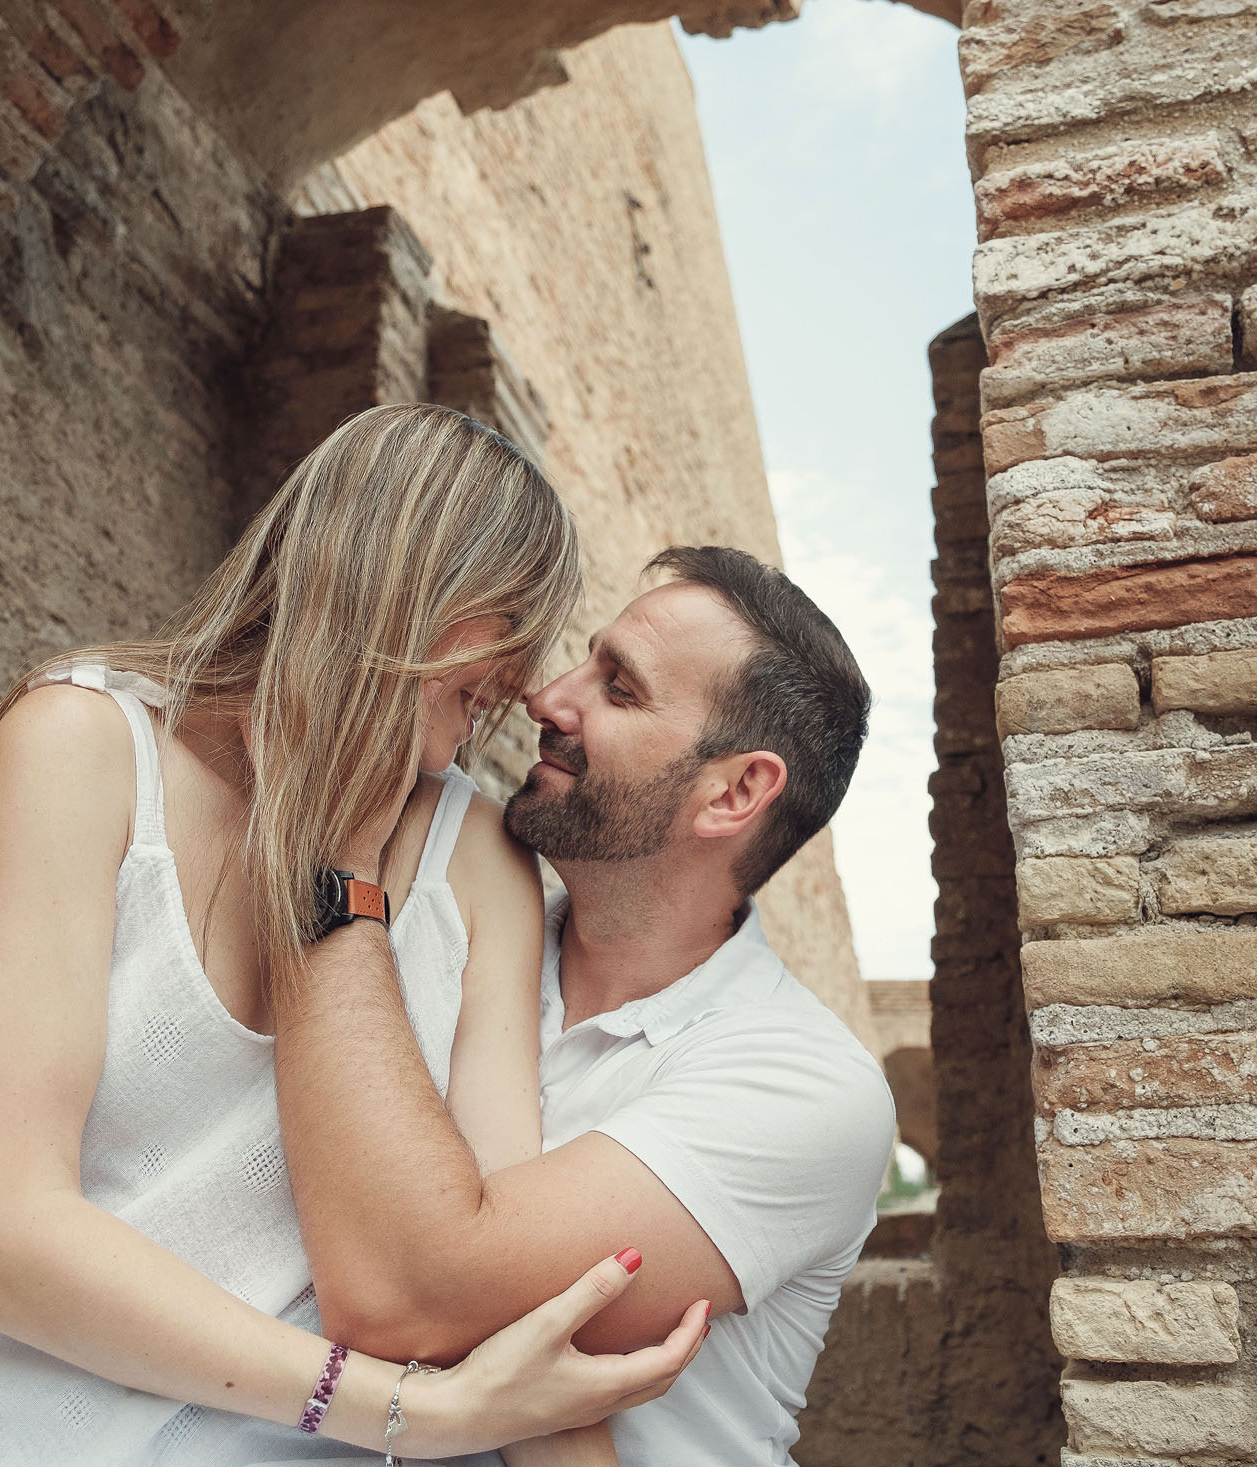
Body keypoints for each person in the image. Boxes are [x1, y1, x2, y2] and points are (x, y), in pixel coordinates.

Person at [0, 404, 704, 1467]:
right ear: (418, 597)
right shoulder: (82, 746)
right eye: (489, 662)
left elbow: (483, 1296)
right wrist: (400, 1410)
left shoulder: (479, 857)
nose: (507, 703)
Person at [272, 545, 898, 1467]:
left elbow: (405, 1296)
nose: (547, 698)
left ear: (735, 791)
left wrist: (332, 870)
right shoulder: (455, 924)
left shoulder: (808, 1087)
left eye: (620, 688)